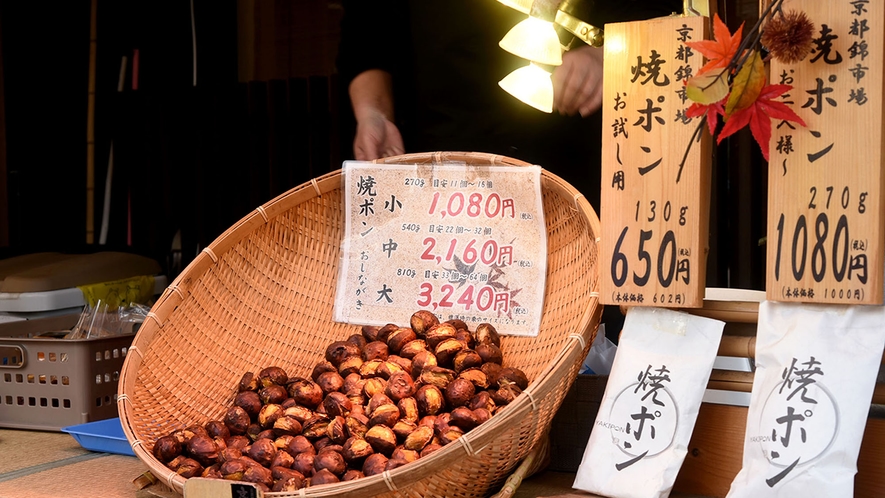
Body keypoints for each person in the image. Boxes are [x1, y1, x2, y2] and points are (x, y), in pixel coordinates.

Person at [337, 0, 681, 339]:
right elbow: (369, 34)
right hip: (443, 176)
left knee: (588, 335)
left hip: (577, 169)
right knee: (444, 342)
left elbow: (666, 23)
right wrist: (373, 113)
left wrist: (611, 55)